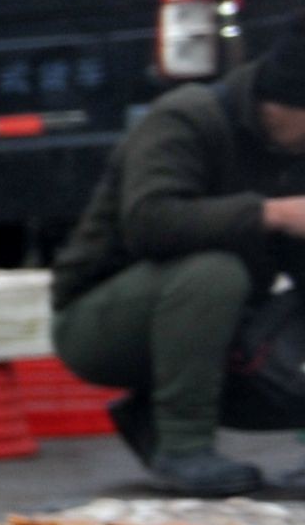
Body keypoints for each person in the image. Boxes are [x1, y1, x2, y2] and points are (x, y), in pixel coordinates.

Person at [45, 28, 305, 495]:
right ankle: (182, 447)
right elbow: (150, 221)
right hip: (103, 322)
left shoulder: (292, 148)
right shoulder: (187, 119)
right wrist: (274, 214)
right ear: (280, 104)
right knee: (213, 272)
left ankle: (152, 416)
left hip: (217, 324)